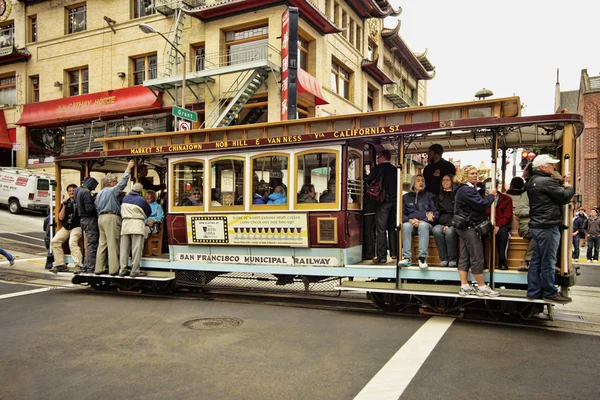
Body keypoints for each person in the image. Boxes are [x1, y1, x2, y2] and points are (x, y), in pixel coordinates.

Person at [526, 154, 574, 303]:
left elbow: (550, 190)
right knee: (548, 260)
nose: (553, 167)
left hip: (537, 225)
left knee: (536, 260)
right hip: (548, 226)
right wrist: (569, 186)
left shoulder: (533, 181)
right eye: (551, 165)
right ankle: (549, 292)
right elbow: (565, 196)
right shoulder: (546, 181)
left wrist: (560, 180)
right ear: (542, 167)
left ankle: (533, 291)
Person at [453, 165, 499, 297]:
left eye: (476, 173)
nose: (475, 175)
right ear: (465, 175)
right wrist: (491, 196)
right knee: (477, 256)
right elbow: (481, 204)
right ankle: (482, 287)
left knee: (464, 256)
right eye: (472, 173)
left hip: (463, 226)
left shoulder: (461, 189)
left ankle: (465, 286)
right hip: (470, 226)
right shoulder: (467, 190)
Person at [94, 160, 135, 275]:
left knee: (102, 244)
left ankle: (99, 268)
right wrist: (128, 168)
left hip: (101, 218)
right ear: (111, 182)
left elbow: (96, 207)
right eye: (115, 181)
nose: (116, 183)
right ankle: (113, 269)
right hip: (111, 217)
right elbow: (122, 184)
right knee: (113, 244)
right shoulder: (112, 191)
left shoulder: (99, 194)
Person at [365, 150, 398, 263]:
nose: (377, 159)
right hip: (395, 202)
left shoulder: (378, 169)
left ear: (383, 157)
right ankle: (394, 254)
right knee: (392, 228)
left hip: (383, 202)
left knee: (381, 229)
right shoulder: (395, 169)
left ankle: (381, 256)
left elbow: (368, 180)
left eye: (379, 157)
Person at [400, 174, 437, 268]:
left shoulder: (430, 196)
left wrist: (423, 220)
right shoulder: (406, 197)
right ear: (413, 183)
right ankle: (407, 258)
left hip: (425, 224)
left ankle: (422, 258)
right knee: (405, 226)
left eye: (422, 181)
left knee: (423, 226)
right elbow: (401, 214)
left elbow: (435, 212)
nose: (421, 182)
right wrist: (409, 220)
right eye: (418, 180)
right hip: (411, 223)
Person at [119, 183, 152, 278]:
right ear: (140, 191)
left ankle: (122, 269)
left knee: (124, 249)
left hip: (125, 224)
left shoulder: (125, 198)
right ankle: (134, 270)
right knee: (136, 249)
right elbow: (148, 211)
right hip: (137, 224)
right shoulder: (141, 200)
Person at [50, 184, 83, 273]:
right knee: (55, 241)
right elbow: (60, 217)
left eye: (73, 191)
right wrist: (64, 205)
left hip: (77, 227)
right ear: (67, 192)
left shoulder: (80, 201)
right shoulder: (66, 202)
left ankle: (78, 264)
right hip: (66, 227)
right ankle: (60, 264)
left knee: (72, 242)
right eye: (70, 191)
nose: (72, 192)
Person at [74, 176, 99, 273]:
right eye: (94, 186)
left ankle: (86, 265)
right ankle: (91, 267)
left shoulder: (77, 190)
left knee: (88, 244)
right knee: (92, 244)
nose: (94, 189)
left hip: (82, 219)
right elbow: (89, 209)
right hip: (90, 220)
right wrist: (95, 201)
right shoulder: (86, 192)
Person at [432, 175, 457, 267]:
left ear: (452, 182)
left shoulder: (456, 196)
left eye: (447, 180)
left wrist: (449, 224)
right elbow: (437, 212)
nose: (445, 182)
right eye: (443, 180)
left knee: (450, 232)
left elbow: (457, 212)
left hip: (454, 222)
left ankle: (452, 259)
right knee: (436, 230)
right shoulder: (438, 197)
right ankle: (443, 259)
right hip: (441, 222)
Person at [514, 166, 534, 271]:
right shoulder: (527, 195)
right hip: (527, 226)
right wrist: (534, 211)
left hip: (542, 224)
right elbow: (518, 211)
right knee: (539, 234)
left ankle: (550, 262)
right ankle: (526, 260)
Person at [490, 190, 513, 270]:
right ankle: (483, 261)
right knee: (479, 233)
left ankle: (502, 260)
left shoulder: (507, 199)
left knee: (502, 234)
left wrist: (498, 225)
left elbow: (507, 215)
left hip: (502, 224)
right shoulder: (482, 197)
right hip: (486, 222)